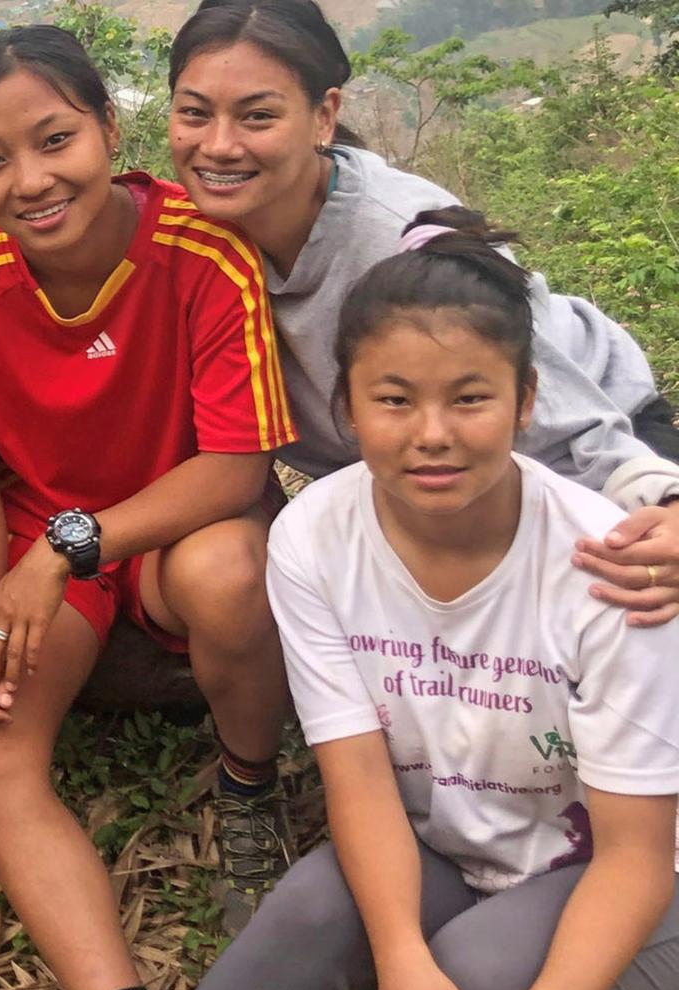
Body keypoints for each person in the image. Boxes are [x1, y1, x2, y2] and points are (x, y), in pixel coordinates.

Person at [156, 212, 679, 990]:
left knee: (473, 978)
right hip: (450, 846)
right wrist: (399, 965)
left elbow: (635, 853)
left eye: (469, 398)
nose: (431, 433)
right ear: (345, 408)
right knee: (309, 915)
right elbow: (356, 776)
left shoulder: (610, 565)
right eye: (394, 399)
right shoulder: (315, 538)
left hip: (628, 871)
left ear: (525, 403)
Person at [0, 26, 297, 990]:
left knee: (230, 574)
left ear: (110, 131)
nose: (30, 181)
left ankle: (249, 783)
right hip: (40, 542)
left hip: (173, 527)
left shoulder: (204, 256)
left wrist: (68, 551)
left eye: (55, 139)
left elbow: (234, 468)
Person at [166, 0, 679, 628]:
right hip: (417, 486)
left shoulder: (400, 239)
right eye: (195, 113)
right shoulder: (193, 239)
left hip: (581, 437)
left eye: (258, 116)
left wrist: (662, 498)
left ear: (324, 116)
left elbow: (555, 411)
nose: (218, 146)